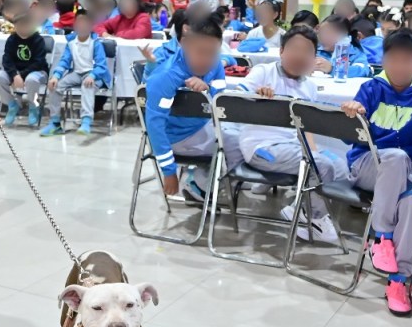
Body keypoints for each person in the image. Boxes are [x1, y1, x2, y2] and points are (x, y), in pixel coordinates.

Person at [340, 30, 412, 315]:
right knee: (395, 157)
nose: (399, 66)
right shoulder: (370, 89)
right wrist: (352, 114)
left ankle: (398, 280)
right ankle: (382, 236)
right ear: (383, 60)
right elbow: (348, 138)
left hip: (408, 168)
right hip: (366, 165)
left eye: (407, 60)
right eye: (393, 59)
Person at [235, 25, 343, 242]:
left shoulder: (309, 87)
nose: (299, 56)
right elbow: (234, 97)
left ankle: (301, 207)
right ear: (282, 51)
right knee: (321, 166)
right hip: (263, 148)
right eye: (295, 49)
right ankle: (311, 216)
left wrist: (315, 152)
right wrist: (255, 94)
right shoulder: (263, 72)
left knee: (340, 168)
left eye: (306, 51)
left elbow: (306, 128)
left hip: (293, 147)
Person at [143, 17, 242, 202]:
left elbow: (220, 98)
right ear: (185, 44)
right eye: (201, 52)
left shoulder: (216, 65)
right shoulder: (165, 76)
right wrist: (169, 171)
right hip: (176, 138)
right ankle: (200, 184)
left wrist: (207, 89)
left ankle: (207, 179)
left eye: (213, 53)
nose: (207, 60)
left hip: (204, 125)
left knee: (247, 133)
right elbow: (155, 127)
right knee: (240, 146)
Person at [40, 10, 109, 137]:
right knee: (55, 86)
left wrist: (92, 75)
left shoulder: (96, 43)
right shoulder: (71, 42)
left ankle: (86, 121)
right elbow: (64, 61)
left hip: (95, 75)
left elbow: (102, 65)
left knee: (87, 85)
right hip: (77, 73)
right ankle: (55, 123)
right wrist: (56, 76)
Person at [0, 11, 49, 126]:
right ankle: (11, 104)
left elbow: (38, 62)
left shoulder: (38, 40)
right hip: (16, 72)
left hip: (37, 71)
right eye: (19, 26)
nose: (22, 29)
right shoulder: (12, 39)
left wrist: (21, 75)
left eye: (25, 25)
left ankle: (33, 106)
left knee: (31, 80)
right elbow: (7, 60)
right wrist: (14, 75)